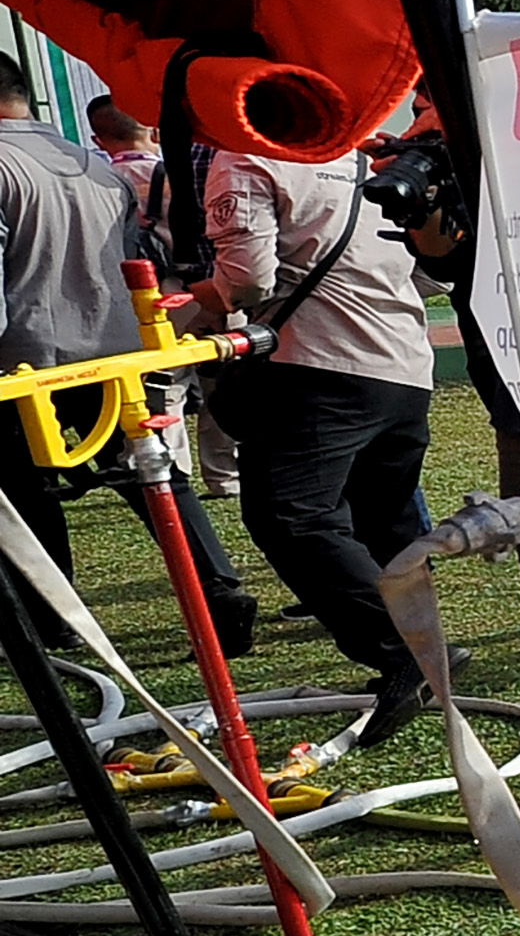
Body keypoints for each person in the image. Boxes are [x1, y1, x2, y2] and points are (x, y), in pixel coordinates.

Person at [197, 128, 468, 738]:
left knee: (290, 516)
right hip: (401, 360)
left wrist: (195, 299)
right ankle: (423, 653)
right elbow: (431, 270)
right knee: (385, 520)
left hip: (318, 364)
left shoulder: (247, 155)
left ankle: (407, 656)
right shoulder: (365, 156)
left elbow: (247, 280)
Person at [0, 59, 260, 653]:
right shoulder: (90, 163)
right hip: (114, 348)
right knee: (151, 473)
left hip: (23, 359)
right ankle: (218, 590)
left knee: (22, 492)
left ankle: (50, 616)